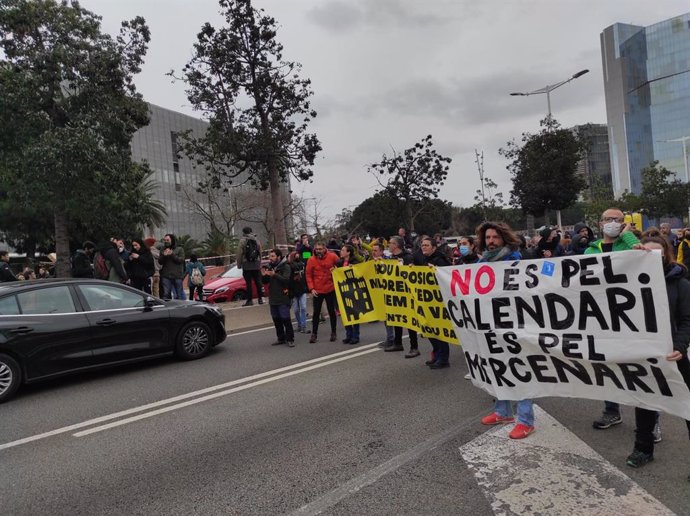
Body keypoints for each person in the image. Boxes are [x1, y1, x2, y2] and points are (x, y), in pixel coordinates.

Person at [625, 235, 690, 469]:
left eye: (656, 253)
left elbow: (687, 320)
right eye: (646, 253)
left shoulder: (681, 284)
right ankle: (643, 449)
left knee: (688, 403)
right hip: (645, 355)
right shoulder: (630, 282)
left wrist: (680, 346)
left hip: (674, 355)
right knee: (645, 403)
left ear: (666, 254)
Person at [475, 221, 534, 439]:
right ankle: (503, 412)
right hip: (492, 323)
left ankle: (526, 420)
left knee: (521, 369)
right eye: (488, 238)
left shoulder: (515, 261)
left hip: (515, 324)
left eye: (495, 238)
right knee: (498, 367)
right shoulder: (481, 261)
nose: (491, 241)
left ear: (504, 239)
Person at [585, 208, 642, 430]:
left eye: (618, 220)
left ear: (624, 224)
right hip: (602, 319)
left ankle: (651, 419)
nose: (613, 223)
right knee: (607, 368)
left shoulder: (630, 244)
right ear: (600, 224)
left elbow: (642, 257)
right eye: (608, 219)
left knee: (641, 367)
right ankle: (611, 410)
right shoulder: (591, 250)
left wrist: (628, 235)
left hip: (633, 318)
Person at [417, 236, 452, 368]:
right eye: (422, 245)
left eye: (426, 245)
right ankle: (437, 355)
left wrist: (437, 270)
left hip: (439, 302)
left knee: (440, 331)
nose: (423, 247)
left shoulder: (441, 260)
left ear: (434, 247)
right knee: (430, 331)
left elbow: (447, 277)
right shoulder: (425, 260)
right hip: (428, 301)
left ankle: (443, 359)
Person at [383, 236, 420, 358]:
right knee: (396, 318)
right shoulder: (390, 258)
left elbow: (412, 274)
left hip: (407, 294)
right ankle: (397, 343)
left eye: (391, 243)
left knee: (410, 321)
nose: (389, 245)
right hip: (395, 294)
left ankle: (414, 347)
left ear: (397, 245)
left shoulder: (407, 257)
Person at [306, 241, 339, 343]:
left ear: (325, 249)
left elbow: (341, 266)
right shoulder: (311, 260)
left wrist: (336, 269)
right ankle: (314, 334)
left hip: (330, 288)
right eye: (317, 249)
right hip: (318, 290)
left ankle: (334, 332)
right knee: (316, 313)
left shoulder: (332, 256)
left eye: (320, 249)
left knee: (331, 311)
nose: (318, 251)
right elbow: (308, 275)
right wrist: (311, 288)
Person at [262, 248, 295, 347]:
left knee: (285, 318)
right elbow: (265, 282)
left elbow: (286, 280)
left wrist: (274, 274)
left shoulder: (286, 267)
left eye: (272, 256)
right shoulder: (269, 267)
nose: (270, 258)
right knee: (276, 319)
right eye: (269, 256)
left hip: (283, 297)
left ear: (278, 257)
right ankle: (281, 338)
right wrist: (263, 275)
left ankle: (290, 339)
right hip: (273, 297)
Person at [337, 244, 364, 344]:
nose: (341, 252)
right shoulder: (339, 262)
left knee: (354, 313)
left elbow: (359, 275)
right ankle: (348, 334)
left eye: (343, 250)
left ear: (348, 252)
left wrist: (354, 269)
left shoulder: (354, 262)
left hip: (353, 291)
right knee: (345, 313)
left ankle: (355, 336)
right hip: (343, 291)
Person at [237, 226, 264, 306]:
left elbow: (239, 253)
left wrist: (239, 265)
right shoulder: (256, 240)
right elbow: (260, 252)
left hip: (246, 264)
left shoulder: (242, 240)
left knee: (248, 283)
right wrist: (260, 262)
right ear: (251, 231)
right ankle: (261, 299)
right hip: (256, 264)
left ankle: (249, 300)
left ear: (243, 232)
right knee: (258, 282)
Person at [158, 233, 186, 300]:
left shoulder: (179, 249)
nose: (166, 241)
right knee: (166, 294)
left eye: (167, 240)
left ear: (172, 240)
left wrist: (172, 254)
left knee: (179, 294)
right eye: (165, 240)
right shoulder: (162, 249)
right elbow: (160, 262)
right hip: (166, 276)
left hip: (177, 276)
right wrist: (164, 256)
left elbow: (181, 260)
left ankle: (180, 308)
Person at [287, 251, 309, 333]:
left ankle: (303, 325)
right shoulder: (289, 267)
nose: (297, 257)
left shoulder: (302, 265)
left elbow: (305, 276)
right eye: (295, 256)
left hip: (302, 289)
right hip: (293, 290)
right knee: (296, 309)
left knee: (303, 307)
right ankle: (299, 324)